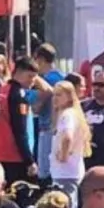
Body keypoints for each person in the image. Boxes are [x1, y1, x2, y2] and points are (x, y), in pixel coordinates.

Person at [0, 57, 39, 186]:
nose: (32, 81)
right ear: (19, 73)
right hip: (13, 156)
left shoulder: (2, 90)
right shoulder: (19, 95)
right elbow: (20, 130)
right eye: (30, 76)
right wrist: (29, 160)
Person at [49, 80, 91, 199]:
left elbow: (67, 137)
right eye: (54, 95)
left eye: (59, 95)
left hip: (65, 173)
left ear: (69, 96)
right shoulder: (72, 113)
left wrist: (63, 156)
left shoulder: (67, 115)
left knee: (66, 206)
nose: (55, 98)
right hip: (68, 172)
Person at [32, 43, 66, 179]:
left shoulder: (44, 80)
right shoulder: (63, 77)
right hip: (61, 128)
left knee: (44, 172)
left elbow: (37, 106)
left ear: (39, 59)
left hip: (47, 127)